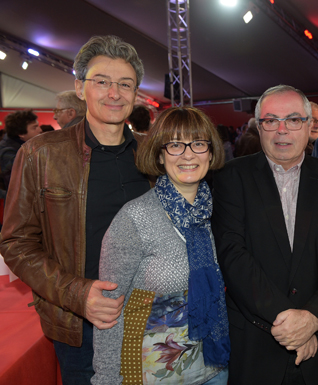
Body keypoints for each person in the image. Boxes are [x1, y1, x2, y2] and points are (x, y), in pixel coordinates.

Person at [0, 35, 151, 385]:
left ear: (135, 93)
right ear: (80, 88)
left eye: (125, 84)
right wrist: (78, 295)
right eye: (102, 81)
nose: (114, 93)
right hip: (82, 331)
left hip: (153, 322)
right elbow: (16, 244)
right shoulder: (41, 154)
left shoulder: (153, 156)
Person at [211, 85, 318, 385]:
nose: (282, 130)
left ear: (309, 126)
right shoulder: (231, 177)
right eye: (271, 120)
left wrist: (312, 320)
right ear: (259, 127)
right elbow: (232, 255)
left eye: (293, 120)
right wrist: (292, 324)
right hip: (257, 345)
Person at [92, 107, 229, 385]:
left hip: (215, 368)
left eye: (198, 144)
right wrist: (106, 379)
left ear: (211, 153)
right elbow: (108, 310)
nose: (188, 154)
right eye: (175, 145)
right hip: (151, 372)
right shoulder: (135, 218)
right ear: (159, 154)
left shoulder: (223, 213)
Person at [0, 110, 42, 191]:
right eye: (34, 127)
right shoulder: (7, 151)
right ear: (21, 133)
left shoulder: (20, 146)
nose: (40, 130)